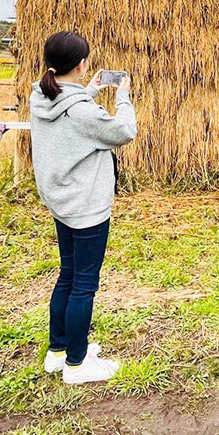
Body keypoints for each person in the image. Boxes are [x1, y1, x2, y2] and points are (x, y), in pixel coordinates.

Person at [30, 30, 137, 385]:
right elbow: (124, 131)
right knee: (84, 284)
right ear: (81, 64)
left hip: (61, 202)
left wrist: (88, 90)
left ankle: (58, 351)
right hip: (86, 206)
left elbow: (70, 114)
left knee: (68, 275)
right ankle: (77, 365)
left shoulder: (40, 96)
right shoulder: (81, 111)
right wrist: (123, 97)